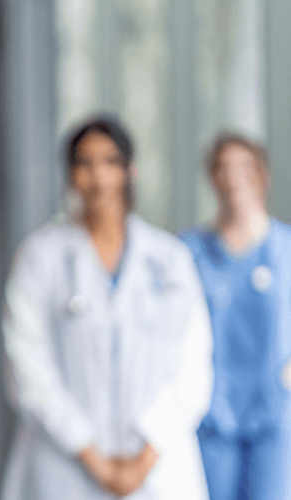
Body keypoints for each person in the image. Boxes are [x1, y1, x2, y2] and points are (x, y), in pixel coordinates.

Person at [0, 115, 213, 499]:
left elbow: (192, 366)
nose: (99, 177)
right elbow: (27, 364)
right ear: (70, 175)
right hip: (64, 464)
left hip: (156, 466)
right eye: (85, 163)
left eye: (111, 162)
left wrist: (144, 459)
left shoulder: (170, 258)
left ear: (131, 170)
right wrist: (92, 455)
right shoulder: (40, 256)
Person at [182, 132, 291, 500]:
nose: (233, 177)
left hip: (275, 415)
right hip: (213, 417)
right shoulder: (190, 252)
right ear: (211, 177)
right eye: (222, 168)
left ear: (263, 175)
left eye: (244, 167)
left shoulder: (285, 250)